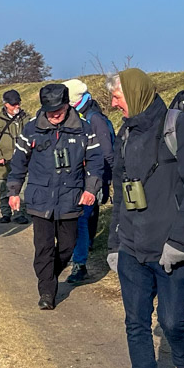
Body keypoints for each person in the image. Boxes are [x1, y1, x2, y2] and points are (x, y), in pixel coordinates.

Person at [104, 68, 184, 368]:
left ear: (134, 94)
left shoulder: (179, 126)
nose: (114, 103)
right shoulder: (125, 133)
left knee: (171, 320)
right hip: (133, 246)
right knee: (135, 323)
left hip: (171, 248)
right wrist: (115, 242)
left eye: (117, 97)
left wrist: (180, 242)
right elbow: (120, 192)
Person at [7, 84, 103, 310]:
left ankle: (49, 275)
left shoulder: (84, 129)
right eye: (49, 112)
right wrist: (14, 192)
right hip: (40, 199)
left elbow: (96, 161)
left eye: (58, 111)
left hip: (71, 198)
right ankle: (47, 292)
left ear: (67, 105)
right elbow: (19, 163)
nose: (53, 116)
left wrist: (91, 189)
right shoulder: (31, 129)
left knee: (67, 246)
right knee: (43, 247)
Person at [63, 78, 114, 283]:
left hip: (90, 179)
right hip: (75, 178)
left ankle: (80, 265)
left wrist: (105, 182)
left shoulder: (95, 120)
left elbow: (107, 153)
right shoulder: (81, 115)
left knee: (81, 221)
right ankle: (75, 257)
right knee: (74, 220)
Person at [0, 89, 30, 224]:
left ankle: (19, 213)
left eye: (18, 103)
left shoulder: (25, 118)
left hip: (22, 159)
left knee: (21, 187)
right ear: (6, 104)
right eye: (13, 104)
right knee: (3, 186)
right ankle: (5, 213)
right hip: (4, 161)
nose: (16, 107)